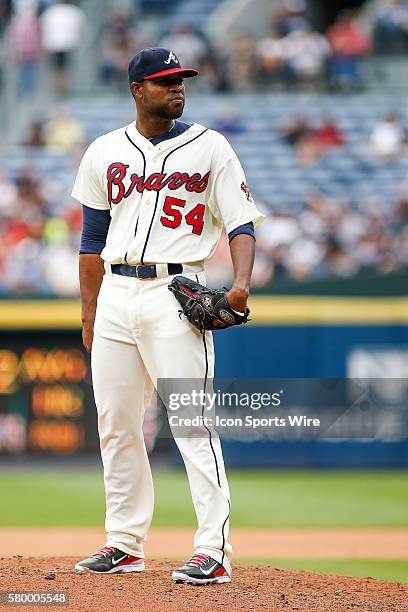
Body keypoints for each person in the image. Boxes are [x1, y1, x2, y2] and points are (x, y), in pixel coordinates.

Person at [71, 47, 264, 584]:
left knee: (192, 424)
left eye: (181, 80)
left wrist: (241, 284)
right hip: (114, 292)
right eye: (164, 81)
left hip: (176, 293)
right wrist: (90, 314)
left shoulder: (211, 146)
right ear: (137, 90)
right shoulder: (105, 150)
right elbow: (91, 241)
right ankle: (125, 542)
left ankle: (214, 550)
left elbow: (242, 222)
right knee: (115, 424)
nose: (177, 88)